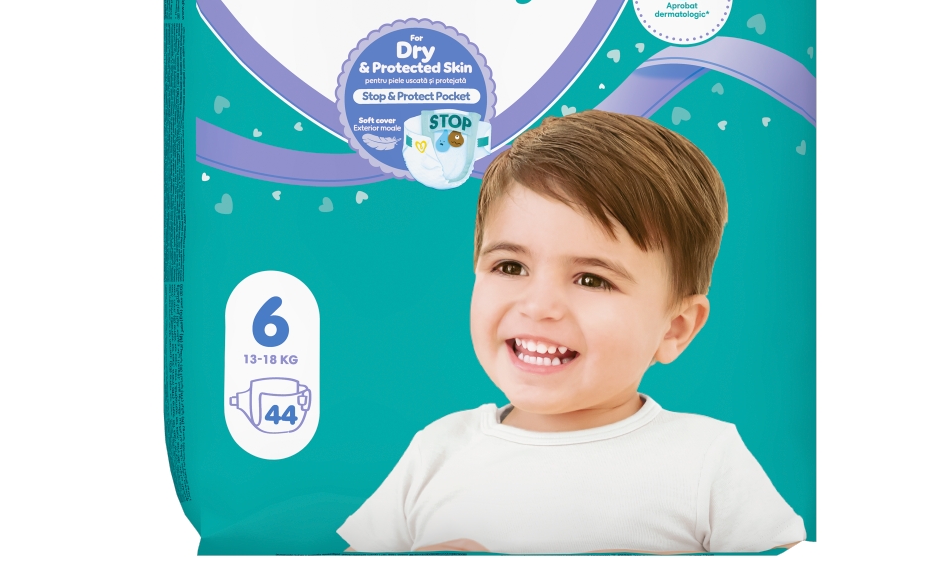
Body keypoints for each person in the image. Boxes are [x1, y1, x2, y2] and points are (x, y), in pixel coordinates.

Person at [338, 111, 805, 554]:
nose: (539, 306)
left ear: (674, 328)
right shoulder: (437, 450)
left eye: (592, 280)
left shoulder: (707, 460)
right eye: (510, 266)